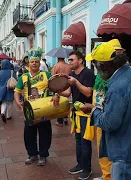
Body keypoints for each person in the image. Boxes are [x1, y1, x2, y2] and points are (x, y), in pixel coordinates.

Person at [81, 42, 131, 180]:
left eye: (95, 65)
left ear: (104, 65)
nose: (96, 70)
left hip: (123, 149)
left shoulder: (118, 86)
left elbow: (109, 123)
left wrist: (94, 110)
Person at [85, 39, 124, 180]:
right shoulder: (101, 75)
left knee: (112, 150)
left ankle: (111, 176)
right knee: (102, 148)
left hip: (110, 117)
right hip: (100, 116)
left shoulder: (119, 76)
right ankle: (106, 175)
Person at [56, 51, 95, 180]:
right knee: (78, 141)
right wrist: (56, 91)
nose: (70, 62)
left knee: (85, 142)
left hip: (86, 113)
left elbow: (89, 93)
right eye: (69, 60)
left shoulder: (88, 73)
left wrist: (76, 82)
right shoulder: (71, 74)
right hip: (76, 112)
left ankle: (87, 169)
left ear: (80, 61)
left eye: (72, 60)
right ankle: (80, 164)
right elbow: (68, 93)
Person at [14, 48, 55, 166]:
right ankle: (32, 154)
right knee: (29, 133)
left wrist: (56, 96)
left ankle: (43, 155)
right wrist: (18, 103)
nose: (34, 63)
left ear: (39, 63)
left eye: (36, 61)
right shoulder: (23, 77)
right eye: (32, 61)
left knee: (45, 133)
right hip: (29, 110)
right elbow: (17, 91)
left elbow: (55, 87)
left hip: (44, 109)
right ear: (28, 63)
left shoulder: (46, 75)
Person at [51, 57, 72, 126]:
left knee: (58, 102)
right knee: (65, 101)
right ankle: (65, 117)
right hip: (67, 85)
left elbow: (52, 76)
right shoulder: (68, 66)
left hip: (58, 86)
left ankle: (59, 121)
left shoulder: (56, 66)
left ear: (57, 58)